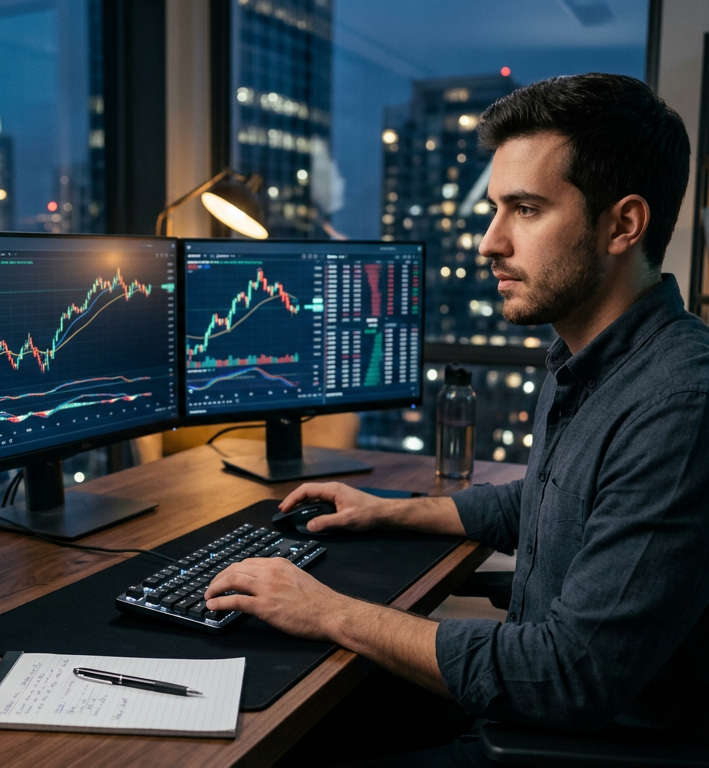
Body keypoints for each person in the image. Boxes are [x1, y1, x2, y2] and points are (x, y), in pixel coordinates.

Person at [206, 73, 709, 765]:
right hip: (532, 715)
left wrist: (328, 610)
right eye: (495, 208)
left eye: (525, 210)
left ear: (623, 224)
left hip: (571, 743)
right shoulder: (591, 358)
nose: (489, 242)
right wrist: (383, 511)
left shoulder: (682, 401)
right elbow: (551, 499)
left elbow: (568, 677)